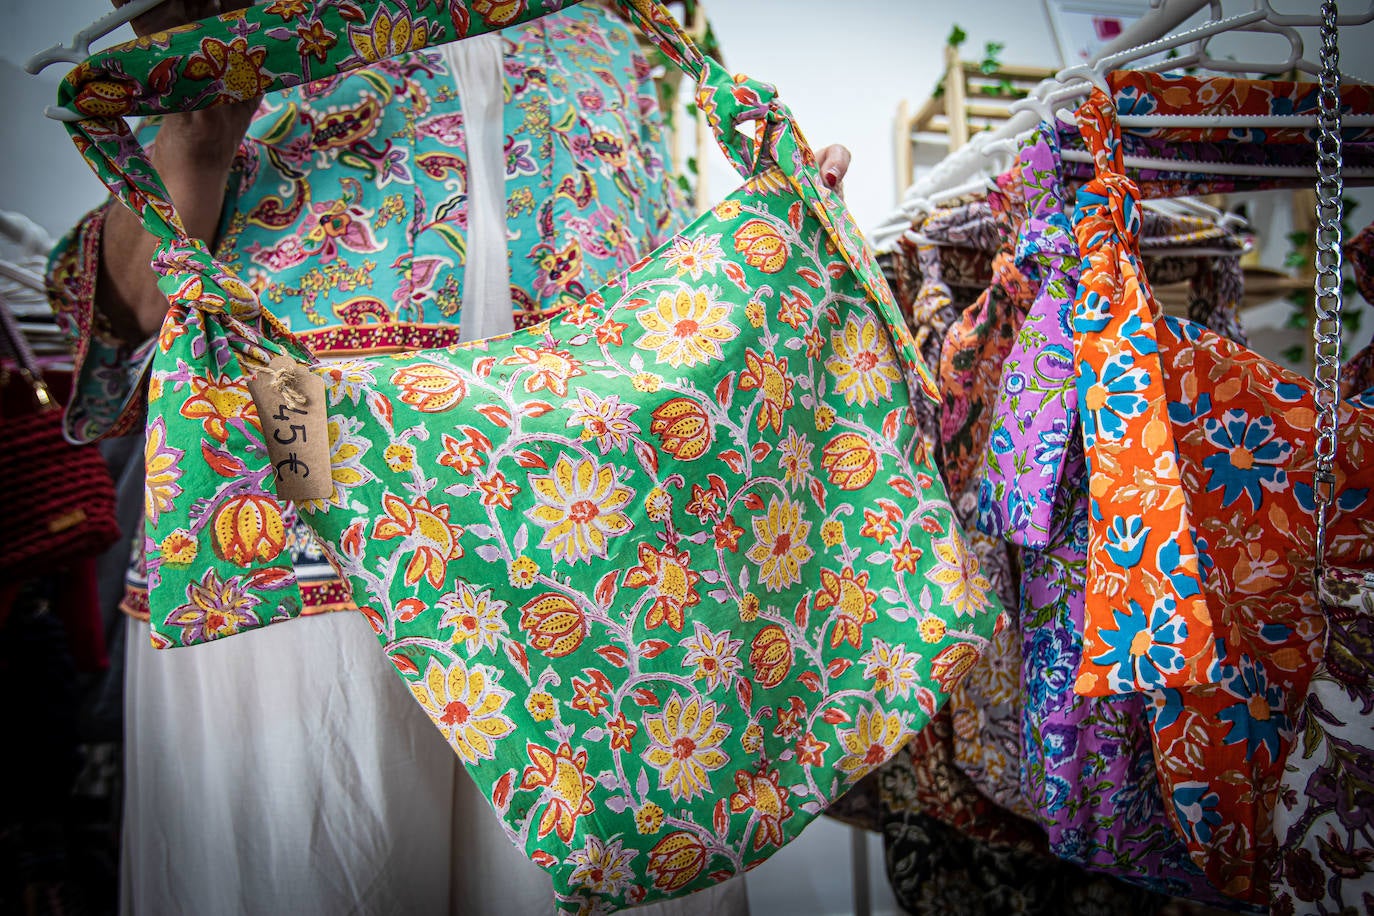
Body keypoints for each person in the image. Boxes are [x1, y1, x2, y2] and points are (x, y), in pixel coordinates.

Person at [46, 0, 852, 913]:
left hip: (590, 553)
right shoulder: (247, 10)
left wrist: (774, 248)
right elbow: (121, 314)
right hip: (295, 528)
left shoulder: (616, 29)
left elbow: (654, 298)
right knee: (312, 870)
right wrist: (189, 145)